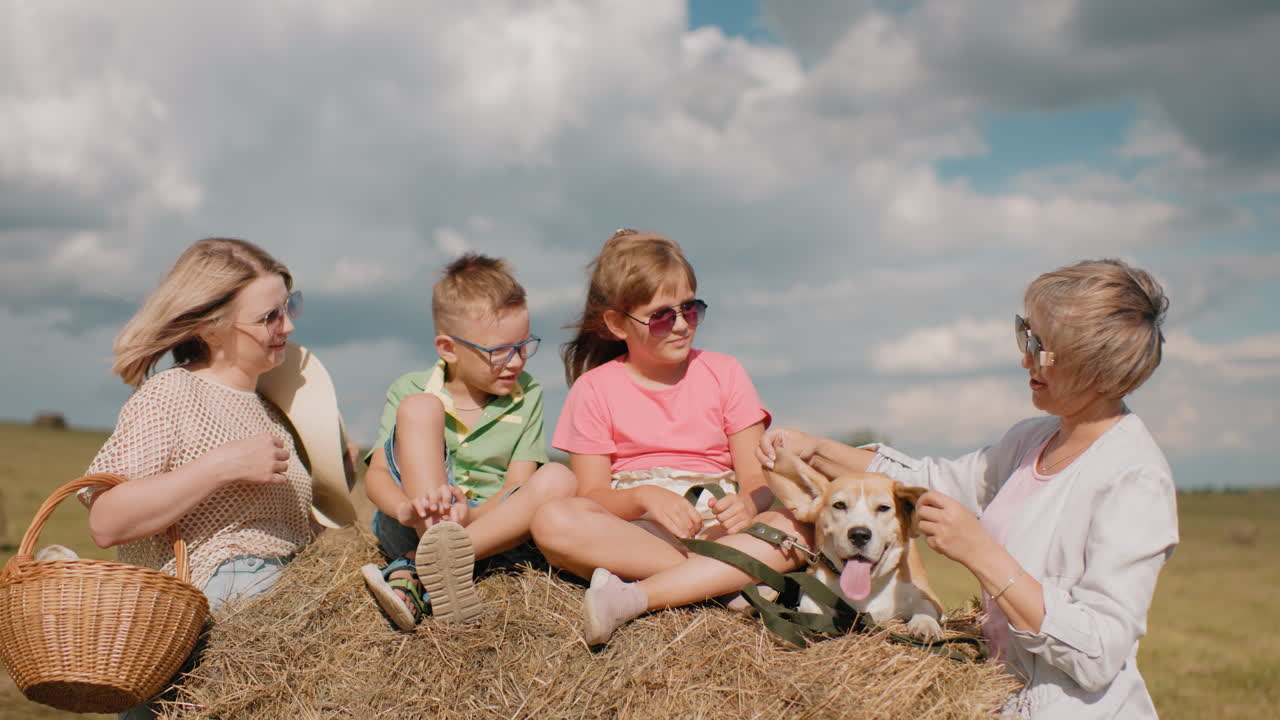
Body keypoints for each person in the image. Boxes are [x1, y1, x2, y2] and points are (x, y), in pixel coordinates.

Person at [757, 259, 1176, 719]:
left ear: (1093, 370)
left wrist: (979, 551)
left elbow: (1098, 653)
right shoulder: (1032, 439)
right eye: (1026, 335)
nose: (1024, 358)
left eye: (1041, 347)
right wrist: (816, 450)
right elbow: (930, 481)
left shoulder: (1134, 480)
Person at [81, 238, 355, 719]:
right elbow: (107, 521)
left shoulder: (275, 410)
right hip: (208, 630)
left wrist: (335, 474)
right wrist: (219, 466)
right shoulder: (171, 395)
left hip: (276, 619)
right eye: (269, 316)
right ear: (212, 327)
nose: (287, 326)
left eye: (289, 307)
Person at [530, 229, 811, 646]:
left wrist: (748, 502)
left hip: (722, 529)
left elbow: (757, 480)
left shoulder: (725, 372)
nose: (681, 325)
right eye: (662, 316)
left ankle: (677, 583)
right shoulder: (594, 390)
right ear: (616, 324)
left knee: (802, 522)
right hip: (640, 530)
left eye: (691, 309)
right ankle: (724, 579)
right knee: (552, 521)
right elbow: (592, 495)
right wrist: (645, 497)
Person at [361, 254, 576, 629]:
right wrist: (404, 509)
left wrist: (471, 518)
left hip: (492, 528)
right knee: (419, 408)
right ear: (447, 348)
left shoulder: (529, 394)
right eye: (499, 352)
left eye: (524, 345)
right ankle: (432, 548)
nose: (516, 362)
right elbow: (377, 476)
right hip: (413, 519)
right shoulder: (410, 388)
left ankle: (426, 567)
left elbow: (518, 486)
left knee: (562, 478)